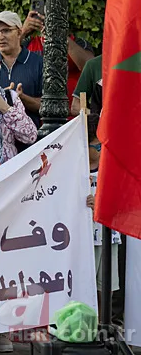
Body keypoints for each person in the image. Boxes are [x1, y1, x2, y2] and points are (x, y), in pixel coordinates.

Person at [21, 8, 94, 111]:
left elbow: (89, 67)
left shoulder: (77, 43)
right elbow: (7, 56)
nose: (49, 21)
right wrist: (23, 31)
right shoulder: (28, 44)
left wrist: (60, 36)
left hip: (72, 114)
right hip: (37, 114)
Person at [85, 115, 121, 308]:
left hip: (108, 233)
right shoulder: (78, 169)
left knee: (105, 282)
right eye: (96, 147)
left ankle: (104, 321)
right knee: (87, 280)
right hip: (86, 236)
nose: (100, 150)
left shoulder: (110, 167)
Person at [0, 11, 43, 128]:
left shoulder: (39, 63)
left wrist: (21, 97)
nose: (0, 36)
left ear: (19, 32)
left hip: (31, 142)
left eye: (6, 31)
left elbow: (50, 107)